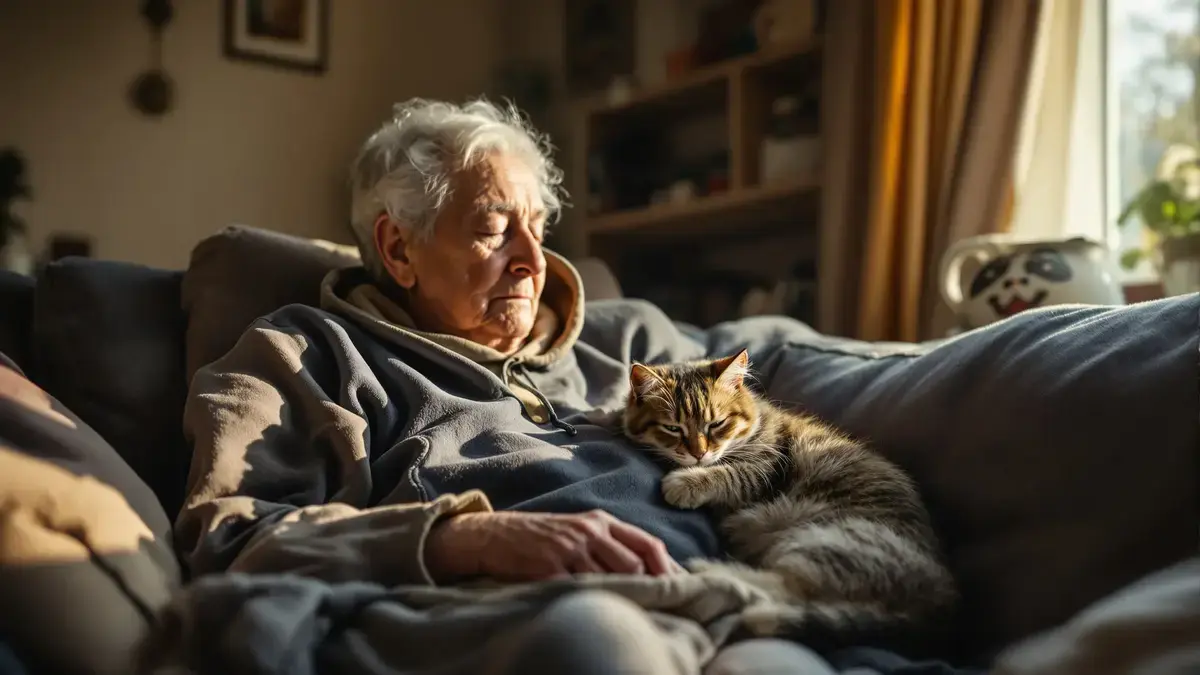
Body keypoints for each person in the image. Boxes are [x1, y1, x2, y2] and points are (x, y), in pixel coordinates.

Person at [173, 99, 955, 675]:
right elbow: (227, 535)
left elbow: (756, 412)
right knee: (600, 646)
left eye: (539, 227)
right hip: (534, 615)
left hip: (734, 604)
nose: (533, 260)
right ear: (399, 248)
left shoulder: (629, 340)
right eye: (493, 228)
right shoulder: (306, 355)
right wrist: (464, 536)